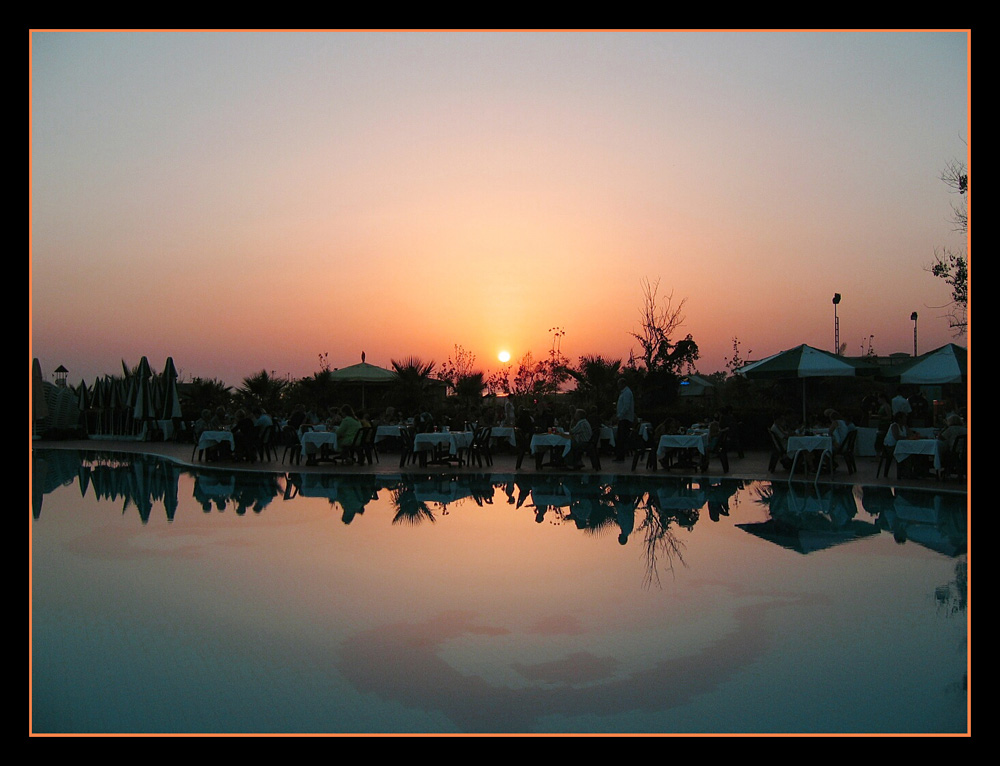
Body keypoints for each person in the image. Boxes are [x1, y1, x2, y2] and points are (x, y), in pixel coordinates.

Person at [614, 378, 635, 462]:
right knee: (620, 438)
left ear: (623, 384)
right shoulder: (624, 393)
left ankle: (621, 457)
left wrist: (619, 415)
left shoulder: (627, 393)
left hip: (625, 419)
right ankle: (619, 456)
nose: (618, 386)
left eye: (619, 384)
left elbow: (626, 406)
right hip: (623, 418)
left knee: (622, 438)